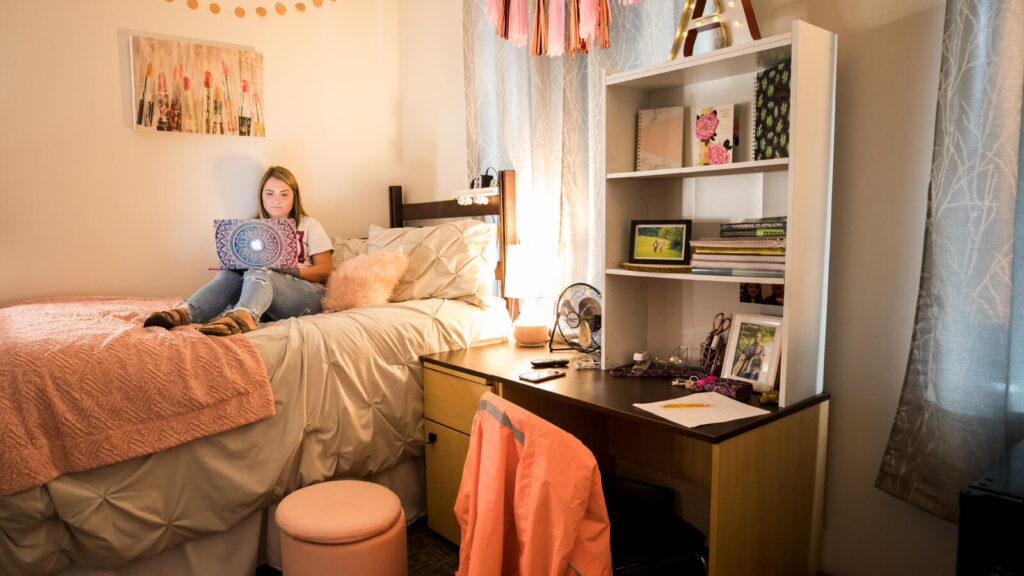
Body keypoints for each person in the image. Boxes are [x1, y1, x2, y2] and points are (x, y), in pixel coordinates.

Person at [144, 166, 334, 336]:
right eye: (269, 194)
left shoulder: (309, 225)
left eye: (284, 194)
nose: (276, 200)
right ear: (261, 196)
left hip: (304, 296)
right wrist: (235, 264)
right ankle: (185, 312)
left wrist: (291, 270)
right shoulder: (250, 227)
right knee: (231, 274)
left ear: (295, 197)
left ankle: (243, 317)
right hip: (262, 297)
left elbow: (326, 270)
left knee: (261, 268)